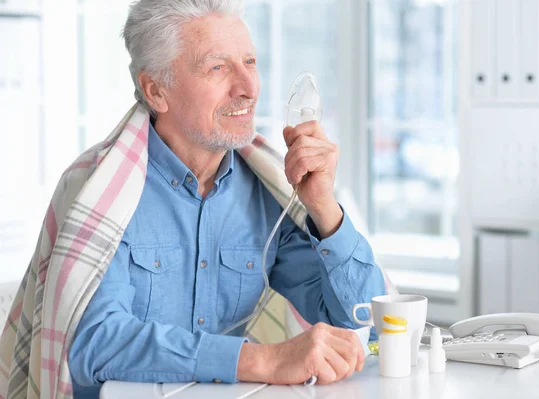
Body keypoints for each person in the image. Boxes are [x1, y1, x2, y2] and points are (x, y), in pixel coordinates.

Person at [67, 0, 387, 397]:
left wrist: (324, 207)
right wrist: (262, 359)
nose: (249, 88)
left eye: (250, 62)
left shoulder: (266, 190)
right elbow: (93, 344)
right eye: (218, 68)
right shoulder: (102, 192)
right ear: (156, 90)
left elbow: (365, 323)